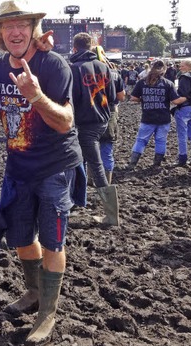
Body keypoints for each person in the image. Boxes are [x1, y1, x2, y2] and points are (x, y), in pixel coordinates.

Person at [0, 0, 83, 346]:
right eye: (8, 26)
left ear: (33, 30)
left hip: (55, 167)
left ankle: (48, 312)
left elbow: (65, 121)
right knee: (22, 238)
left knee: (53, 241)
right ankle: (33, 292)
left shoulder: (53, 64)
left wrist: (37, 96)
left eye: (23, 25)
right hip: (18, 167)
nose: (15, 32)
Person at [69, 34, 118, 226]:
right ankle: (74, 202)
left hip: (83, 123)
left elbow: (70, 99)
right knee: (82, 161)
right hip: (102, 121)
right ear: (92, 47)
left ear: (74, 48)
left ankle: (111, 215)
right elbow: (113, 97)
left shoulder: (74, 69)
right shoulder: (104, 67)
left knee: (93, 165)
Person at [127, 59, 187, 169]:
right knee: (161, 141)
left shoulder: (142, 82)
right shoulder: (168, 83)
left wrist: (143, 99)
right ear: (164, 71)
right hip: (163, 117)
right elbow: (175, 101)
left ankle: (132, 163)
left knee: (141, 140)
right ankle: (156, 163)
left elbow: (133, 98)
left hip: (147, 117)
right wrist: (188, 98)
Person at [172, 58, 191, 167]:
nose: (180, 68)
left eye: (182, 66)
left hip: (184, 107)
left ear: (188, 67)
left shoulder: (184, 77)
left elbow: (182, 93)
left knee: (182, 134)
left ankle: (182, 157)